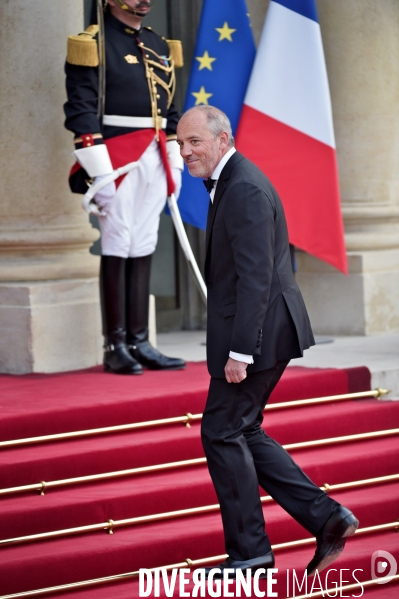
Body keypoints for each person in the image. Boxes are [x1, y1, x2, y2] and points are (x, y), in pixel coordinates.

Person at [176, 106, 359, 578]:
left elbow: (257, 277)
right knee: (242, 429)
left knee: (220, 431)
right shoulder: (232, 181)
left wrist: (241, 351)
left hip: (260, 334)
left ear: (222, 139)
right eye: (181, 143)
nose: (186, 151)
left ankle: (251, 553)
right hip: (264, 329)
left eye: (195, 141)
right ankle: (326, 517)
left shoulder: (245, 187)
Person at [64, 0, 185, 374]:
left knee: (144, 240)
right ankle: (115, 343)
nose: (144, 1)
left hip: (156, 153)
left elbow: (170, 109)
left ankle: (140, 340)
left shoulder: (158, 43)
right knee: (118, 241)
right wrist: (100, 172)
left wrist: (176, 159)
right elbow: (81, 110)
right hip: (116, 155)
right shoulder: (93, 42)